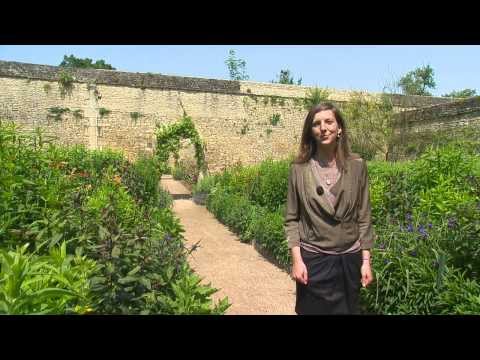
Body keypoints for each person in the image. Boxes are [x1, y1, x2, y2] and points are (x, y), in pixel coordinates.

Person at [285, 102, 375, 315]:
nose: (323, 128)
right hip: (314, 260)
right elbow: (291, 219)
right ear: (310, 130)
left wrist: (366, 261)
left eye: (329, 122)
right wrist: (297, 260)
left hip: (348, 261)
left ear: (339, 128)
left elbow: (364, 215)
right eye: (316, 124)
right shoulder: (299, 170)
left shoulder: (357, 166)